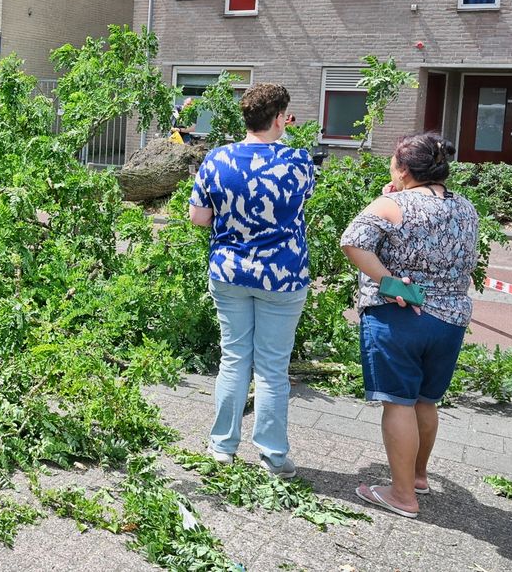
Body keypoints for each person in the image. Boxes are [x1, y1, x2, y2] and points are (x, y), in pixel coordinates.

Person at [340, 133, 478, 519]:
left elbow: (351, 242)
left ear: (402, 168)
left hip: (399, 317)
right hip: (450, 320)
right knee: (425, 400)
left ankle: (402, 496)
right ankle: (418, 476)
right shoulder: (465, 207)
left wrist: (390, 282)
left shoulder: (391, 205)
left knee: (397, 402)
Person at [189, 83, 315, 478]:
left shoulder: (217, 159)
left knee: (234, 359)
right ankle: (273, 458)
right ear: (279, 119)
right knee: (272, 370)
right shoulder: (298, 161)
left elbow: (198, 218)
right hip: (283, 276)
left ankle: (222, 448)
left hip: (229, 272)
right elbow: (297, 203)